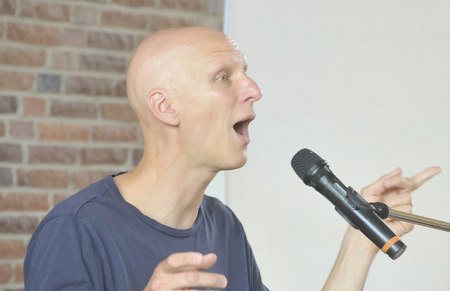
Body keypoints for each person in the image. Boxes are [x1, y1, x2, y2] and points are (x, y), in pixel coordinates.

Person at [23, 26, 441, 291]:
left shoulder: (222, 225)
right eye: (223, 77)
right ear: (166, 108)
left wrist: (360, 238)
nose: (254, 89)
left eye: (246, 72)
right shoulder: (75, 231)